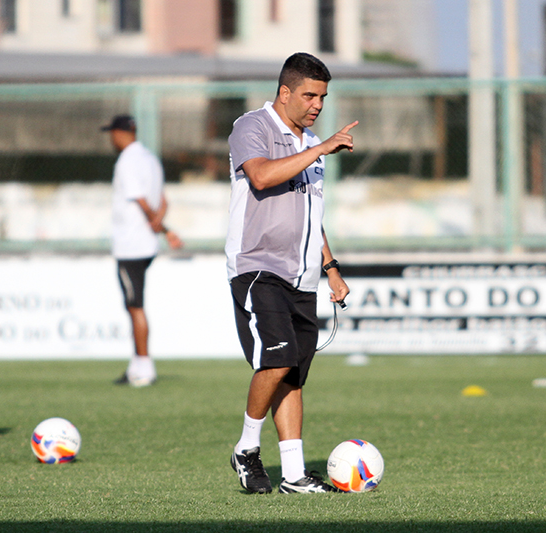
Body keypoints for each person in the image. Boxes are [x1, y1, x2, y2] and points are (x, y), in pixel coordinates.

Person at [226, 53, 355, 494]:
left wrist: (331, 268)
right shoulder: (252, 126)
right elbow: (261, 177)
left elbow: (312, 215)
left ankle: (295, 475)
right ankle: (246, 447)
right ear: (285, 92)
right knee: (277, 358)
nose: (317, 104)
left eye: (322, 97)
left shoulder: (312, 142)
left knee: (293, 374)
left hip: (304, 277)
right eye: (309, 95)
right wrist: (318, 149)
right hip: (258, 266)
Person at [101, 114, 183, 387]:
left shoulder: (127, 161)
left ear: (119, 133)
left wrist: (157, 223)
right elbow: (162, 200)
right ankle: (136, 365)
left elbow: (140, 199)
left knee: (135, 306)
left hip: (131, 244)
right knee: (133, 304)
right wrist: (162, 225)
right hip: (145, 243)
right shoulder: (150, 158)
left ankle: (145, 367)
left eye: (112, 133)